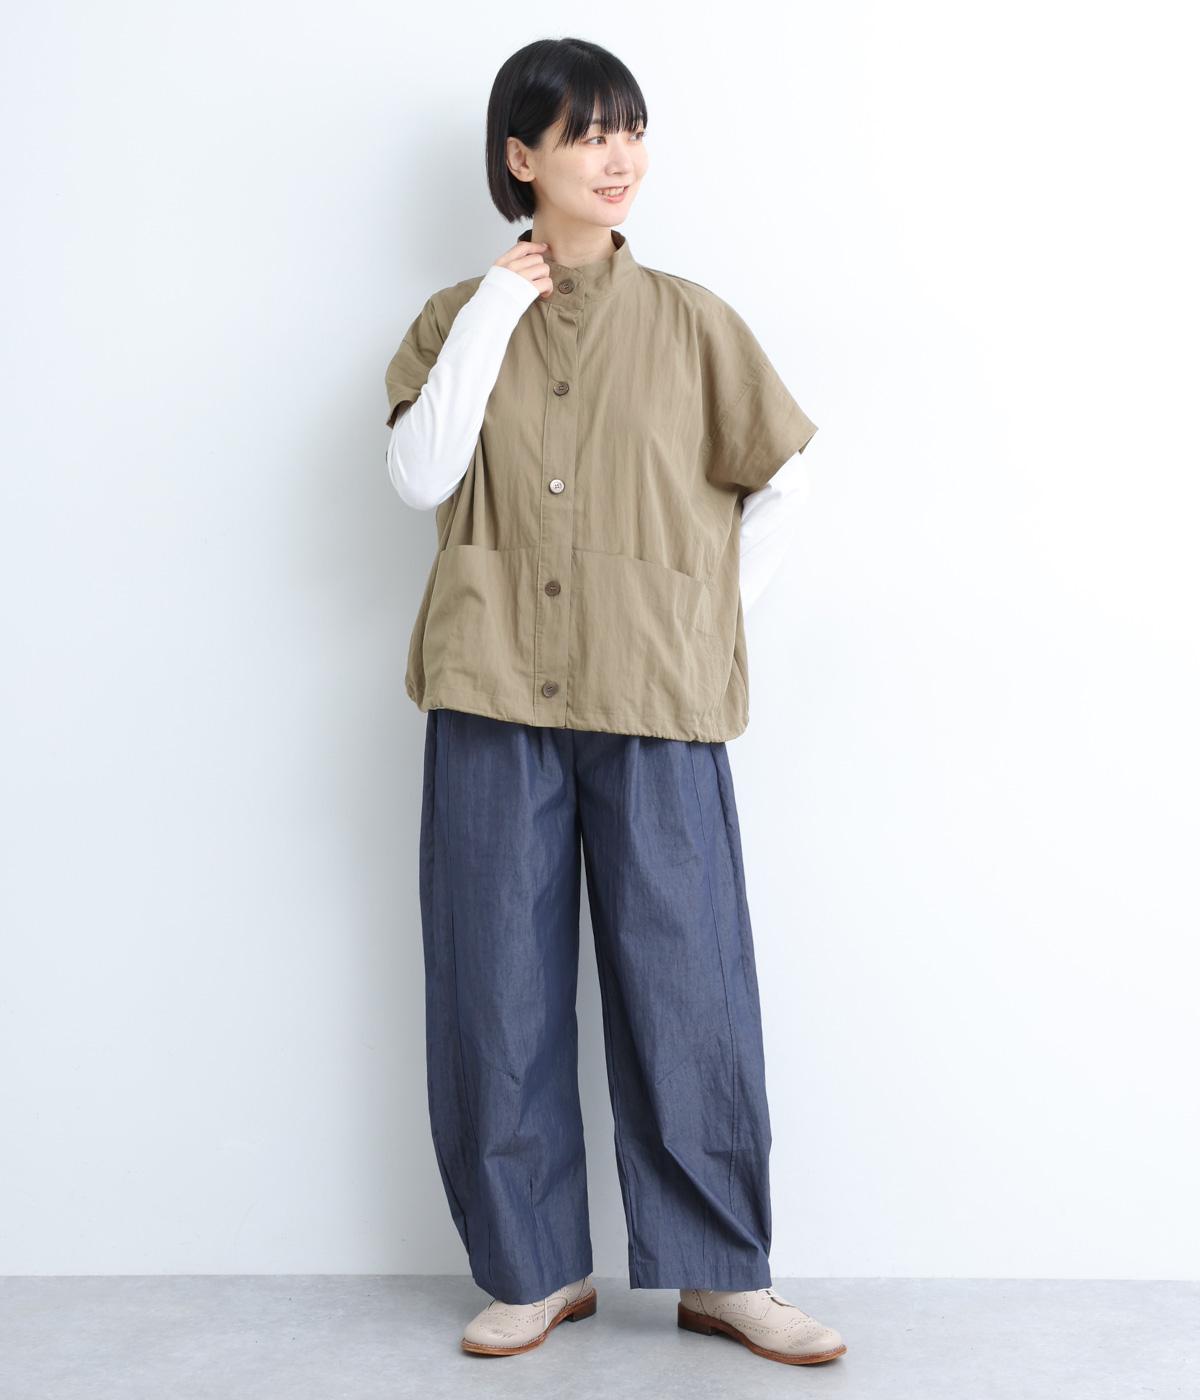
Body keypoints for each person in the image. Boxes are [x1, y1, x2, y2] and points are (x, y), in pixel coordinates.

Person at [382, 37, 846, 1367]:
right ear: (520, 156)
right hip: (491, 685)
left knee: (689, 980)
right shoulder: (453, 317)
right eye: (586, 132)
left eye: (630, 128)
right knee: (496, 986)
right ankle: (532, 1271)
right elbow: (420, 476)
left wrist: (704, 620)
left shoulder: (694, 321)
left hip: (657, 694)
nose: (617, 155)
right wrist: (496, 305)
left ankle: (720, 1274)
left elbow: (782, 481)